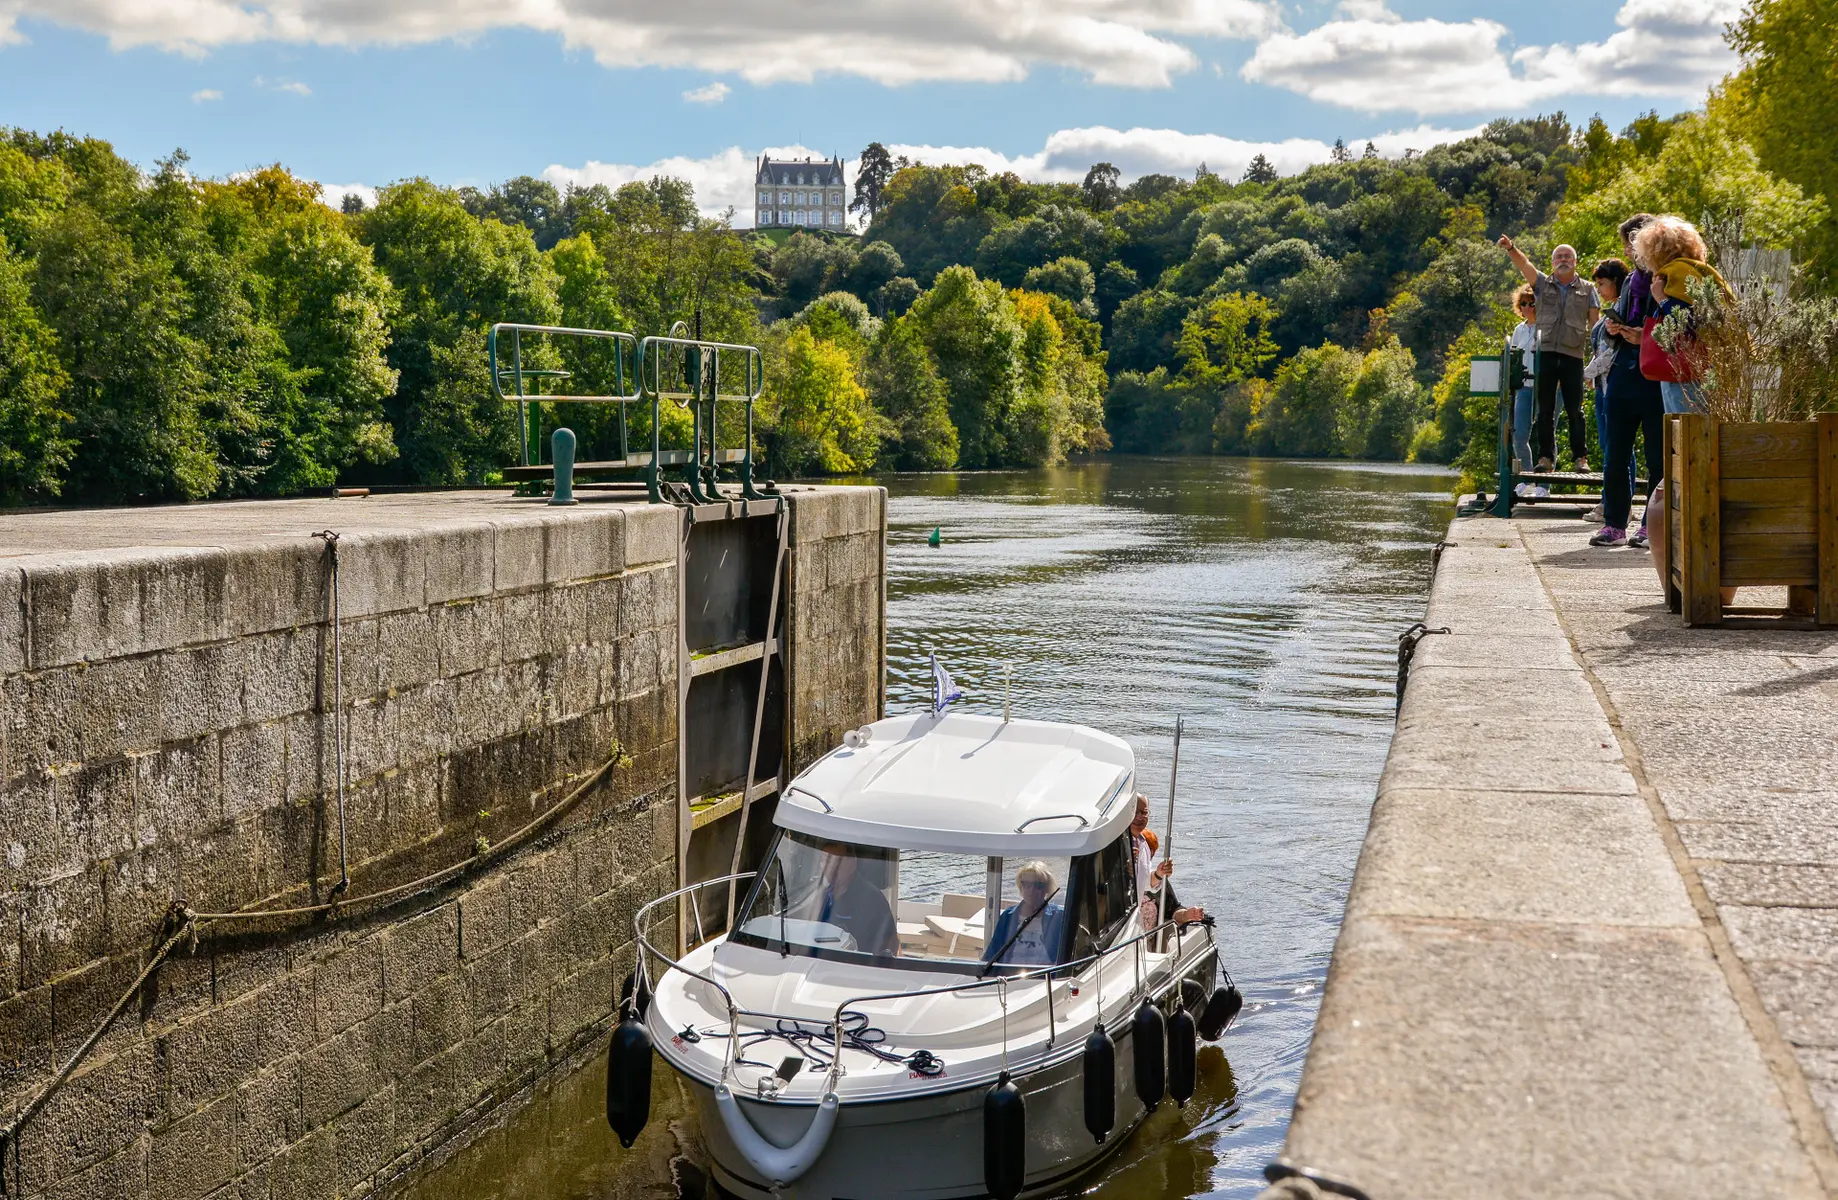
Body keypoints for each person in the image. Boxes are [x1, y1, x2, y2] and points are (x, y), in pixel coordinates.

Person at [1498, 235, 1599, 471]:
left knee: (1576, 409)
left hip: (1573, 355)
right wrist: (1511, 248)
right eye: (1558, 256)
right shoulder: (1542, 284)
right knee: (1545, 409)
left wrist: (1596, 364)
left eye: (1567, 256)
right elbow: (1525, 265)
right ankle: (1546, 458)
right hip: (1547, 353)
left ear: (1575, 261)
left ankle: (1580, 458)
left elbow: (1595, 327)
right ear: (1553, 262)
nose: (1563, 260)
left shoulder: (1588, 289)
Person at [1590, 257, 1664, 550]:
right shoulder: (1631, 280)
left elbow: (1681, 327)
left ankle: (1651, 525)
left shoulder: (1669, 277)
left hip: (1655, 378)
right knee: (1615, 454)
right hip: (1622, 376)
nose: (1633, 253)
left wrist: (1644, 336)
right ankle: (1614, 525)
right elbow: (1613, 330)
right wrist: (1612, 329)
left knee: (1657, 458)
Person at [1631, 216, 1733, 414]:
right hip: (1707, 367)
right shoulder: (1698, 271)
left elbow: (1689, 321)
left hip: (1685, 372)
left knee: (1688, 436)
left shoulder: (1676, 275)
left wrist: (1661, 299)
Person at [1128, 793, 1205, 929]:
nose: (1139, 816)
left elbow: (1144, 882)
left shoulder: (1143, 844)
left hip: (1137, 933)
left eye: (1144, 812)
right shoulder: (1114, 844)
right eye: (1135, 811)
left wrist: (1159, 874)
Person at [815, 842, 897, 956]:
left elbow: (890, 947)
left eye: (836, 861)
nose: (830, 867)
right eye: (824, 860)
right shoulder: (821, 897)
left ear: (852, 861)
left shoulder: (873, 900)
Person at [983, 861, 1068, 966]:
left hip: (1045, 977)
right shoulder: (1008, 916)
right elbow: (991, 953)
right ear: (1021, 887)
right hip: (1009, 975)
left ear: (1046, 888)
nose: (1031, 890)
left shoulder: (1059, 917)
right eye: (1026, 884)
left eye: (1038, 885)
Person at [1508, 287, 1545, 498]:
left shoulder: (1546, 328)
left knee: (1545, 436)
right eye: (1524, 304)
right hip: (1524, 385)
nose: (1528, 308)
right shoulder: (1519, 330)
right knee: (1519, 436)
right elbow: (1513, 358)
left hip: (1545, 386)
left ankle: (1544, 485)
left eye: (1532, 303)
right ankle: (1527, 478)